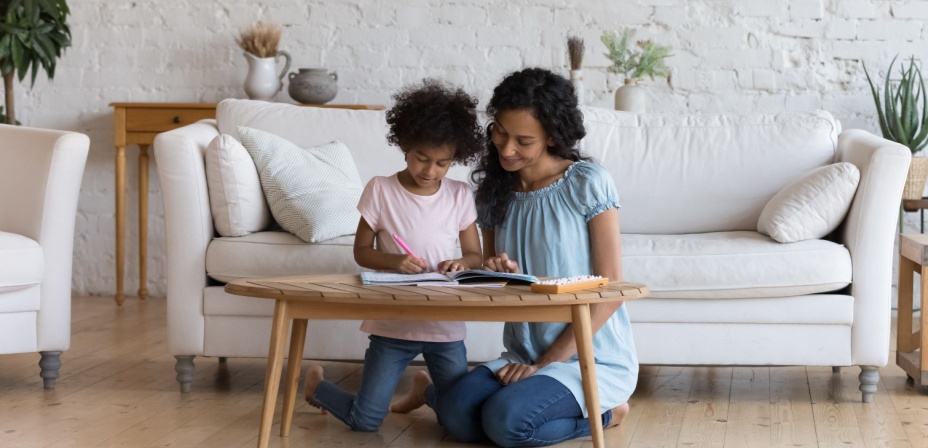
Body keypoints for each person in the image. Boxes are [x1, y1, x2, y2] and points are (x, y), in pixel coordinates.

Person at [396, 68, 637, 447]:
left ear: (553, 137)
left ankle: (609, 411)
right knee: (458, 415)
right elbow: (492, 274)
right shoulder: (495, 192)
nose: (505, 149)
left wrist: (546, 363)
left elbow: (612, 291)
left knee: (505, 422)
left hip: (588, 356)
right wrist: (493, 270)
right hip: (521, 354)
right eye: (500, 133)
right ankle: (441, 395)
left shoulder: (586, 183)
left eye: (523, 140)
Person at [303, 79, 484, 432]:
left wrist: (462, 263)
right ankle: (318, 389)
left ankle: (424, 389)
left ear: (455, 159)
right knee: (366, 420)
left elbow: (476, 254)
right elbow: (361, 252)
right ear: (404, 144)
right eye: (421, 158)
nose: (430, 171)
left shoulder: (460, 194)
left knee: (462, 423)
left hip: (444, 324)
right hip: (393, 321)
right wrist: (394, 262)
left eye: (442, 163)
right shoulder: (381, 189)